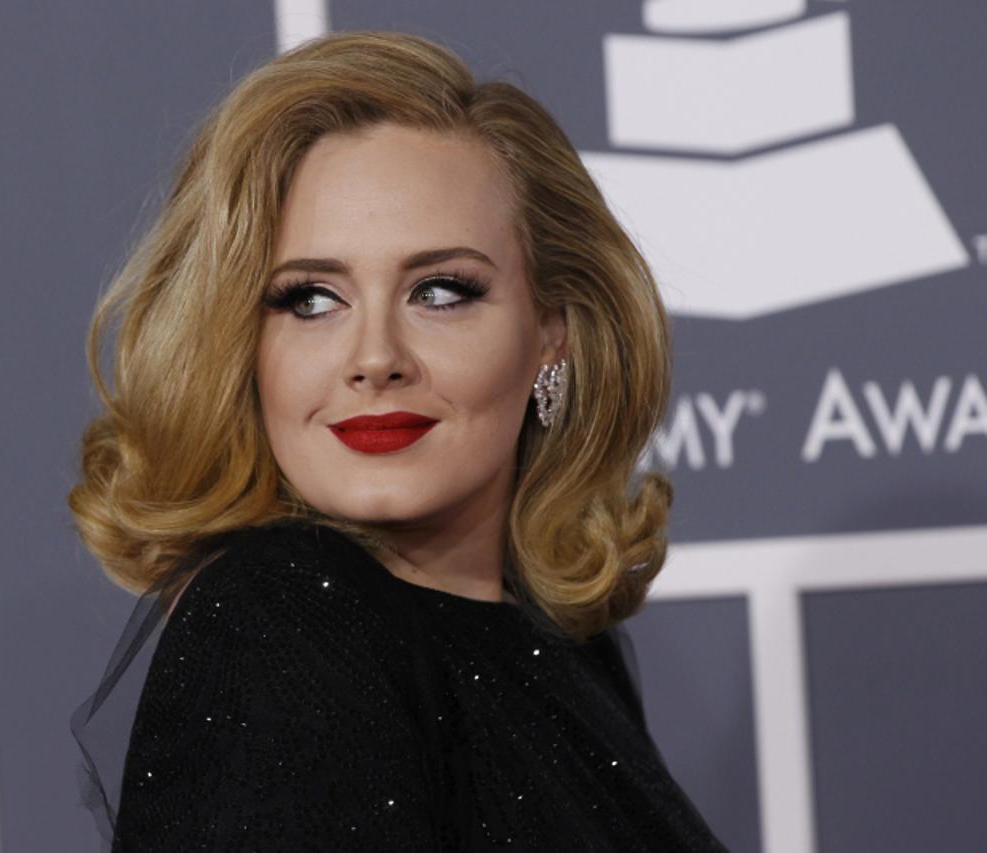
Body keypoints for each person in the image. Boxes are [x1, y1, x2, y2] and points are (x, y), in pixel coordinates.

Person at [69, 30, 727, 852]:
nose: (375, 357)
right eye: (309, 299)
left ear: (552, 331)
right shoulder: (281, 624)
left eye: (442, 291)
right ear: (241, 344)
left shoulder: (572, 652)